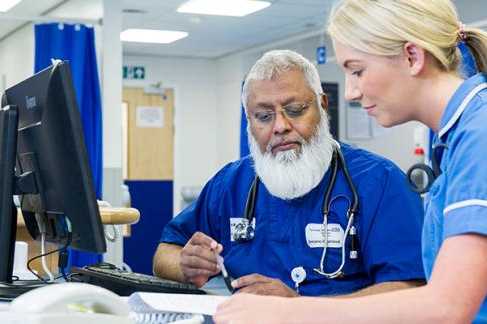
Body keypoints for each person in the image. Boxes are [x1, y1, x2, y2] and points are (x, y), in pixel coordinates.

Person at [213, 0, 487, 322]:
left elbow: (446, 307)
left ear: (412, 57)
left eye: (357, 70)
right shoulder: (462, 137)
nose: (351, 91)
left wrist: (290, 312)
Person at [153, 49, 426, 298]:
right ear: (248, 122)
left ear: (322, 105)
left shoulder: (380, 183)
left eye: (295, 110)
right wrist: (185, 264)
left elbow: (409, 290)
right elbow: (164, 253)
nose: (280, 126)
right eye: (263, 116)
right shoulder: (231, 184)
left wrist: (299, 309)